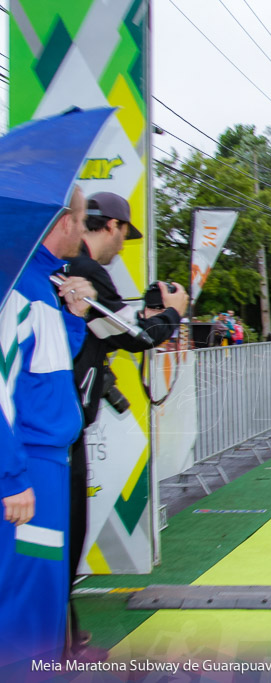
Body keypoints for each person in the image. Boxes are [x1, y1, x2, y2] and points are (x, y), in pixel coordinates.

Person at [66, 191, 188, 653]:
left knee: (64, 534)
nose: (123, 246)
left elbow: (113, 331)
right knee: (68, 533)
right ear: (111, 226)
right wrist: (173, 312)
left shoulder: (73, 273)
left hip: (64, 420)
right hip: (62, 427)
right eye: (124, 234)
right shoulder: (86, 273)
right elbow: (136, 338)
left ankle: (67, 630)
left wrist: (148, 317)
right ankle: (59, 642)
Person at [1, 187, 98, 666]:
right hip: (28, 470)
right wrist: (12, 476)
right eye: (82, 220)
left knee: (44, 593)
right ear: (63, 221)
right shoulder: (16, 285)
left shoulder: (40, 283)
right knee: (26, 597)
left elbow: (51, 368)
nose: (85, 231)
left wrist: (75, 317)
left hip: (47, 467)